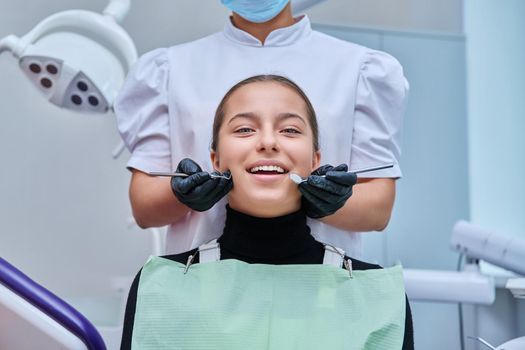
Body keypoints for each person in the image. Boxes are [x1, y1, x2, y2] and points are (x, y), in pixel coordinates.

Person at [120, 75, 413, 349]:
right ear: (216, 160)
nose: (268, 142)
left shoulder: (378, 298)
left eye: (290, 130)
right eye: (245, 129)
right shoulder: (161, 289)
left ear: (315, 160)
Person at [114, 0, 408, 258]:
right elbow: (144, 207)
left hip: (323, 293)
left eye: (290, 130)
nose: (267, 143)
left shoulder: (358, 69)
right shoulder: (170, 69)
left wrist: (327, 203)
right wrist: (183, 196)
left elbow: (378, 209)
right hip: (203, 293)